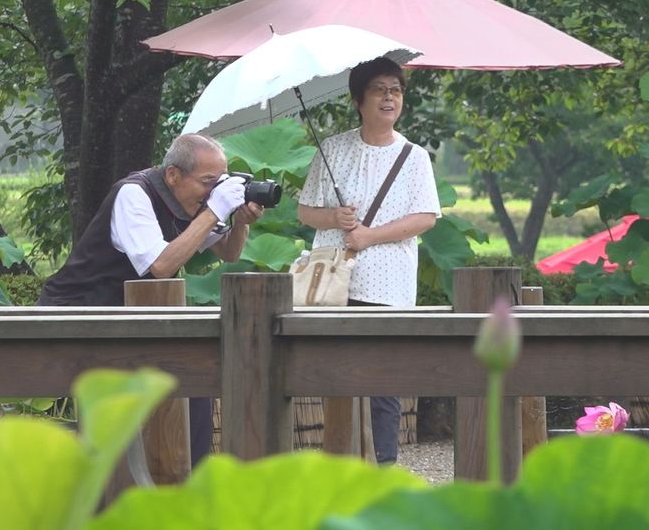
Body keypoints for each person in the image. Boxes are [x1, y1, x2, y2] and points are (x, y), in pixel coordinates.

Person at [38, 132, 263, 463]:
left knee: (196, 383)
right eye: (206, 182)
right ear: (173, 175)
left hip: (133, 321)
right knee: (125, 412)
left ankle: (187, 484)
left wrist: (240, 222)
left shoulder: (192, 202)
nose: (211, 192)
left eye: (218, 183)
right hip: (81, 316)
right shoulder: (134, 194)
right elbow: (159, 266)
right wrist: (214, 210)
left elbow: (228, 252)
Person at [297, 56, 441, 464]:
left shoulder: (415, 157)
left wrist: (369, 235)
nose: (389, 97)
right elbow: (306, 211)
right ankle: (340, 463)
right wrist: (334, 218)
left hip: (387, 283)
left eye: (396, 90)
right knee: (336, 372)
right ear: (358, 98)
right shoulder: (333, 148)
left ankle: (383, 465)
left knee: (383, 378)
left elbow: (425, 217)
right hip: (334, 278)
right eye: (379, 89)